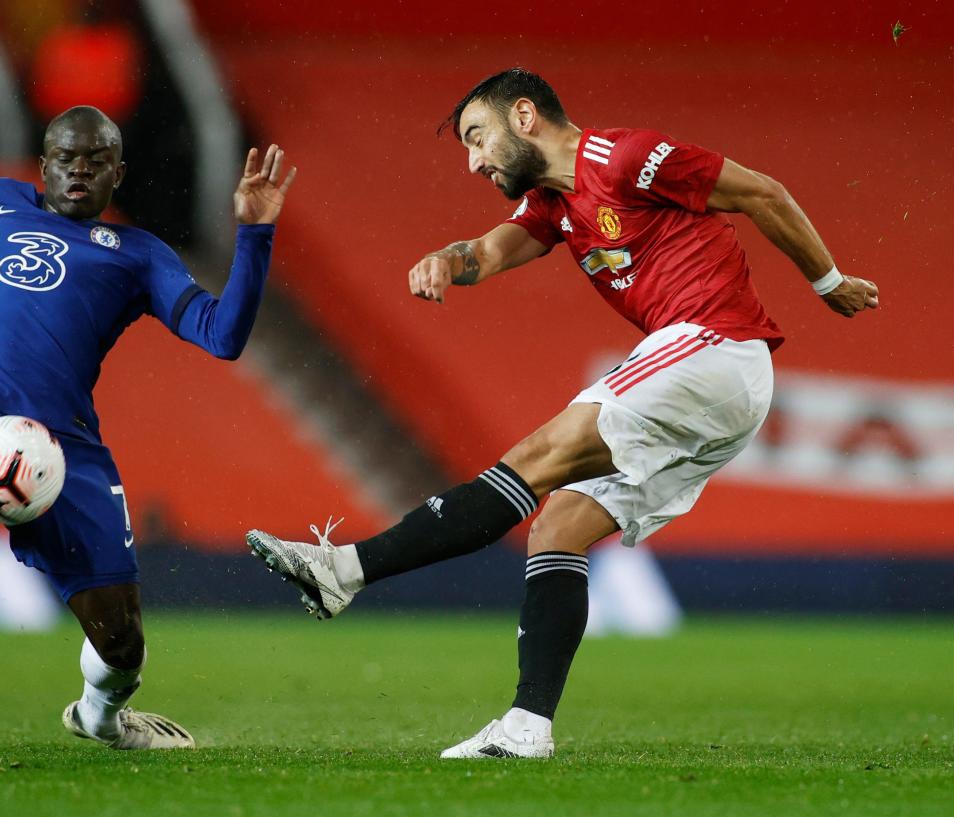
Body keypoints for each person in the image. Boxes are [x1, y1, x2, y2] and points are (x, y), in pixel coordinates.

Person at [245, 68, 877, 759]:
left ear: (524, 116)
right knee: (558, 526)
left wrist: (829, 280)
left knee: (538, 456)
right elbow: (486, 251)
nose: (473, 161)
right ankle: (527, 726)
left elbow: (762, 192)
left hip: (716, 346)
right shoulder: (554, 205)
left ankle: (346, 570)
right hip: (714, 390)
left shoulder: (627, 159)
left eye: (477, 137)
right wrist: (446, 261)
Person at [0, 106, 296, 750]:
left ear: (117, 172)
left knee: (122, 641)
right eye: (65, 158)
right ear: (41, 166)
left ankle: (100, 719)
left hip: (63, 448)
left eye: (95, 160)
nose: (78, 170)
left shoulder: (139, 255)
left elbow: (224, 335)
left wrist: (254, 234)